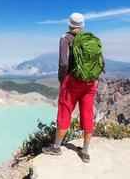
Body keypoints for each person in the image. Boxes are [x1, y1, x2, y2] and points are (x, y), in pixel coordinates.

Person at [42, 12, 104, 163]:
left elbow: (63, 63)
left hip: (72, 82)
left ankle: (56, 148)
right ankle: (85, 151)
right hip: (91, 82)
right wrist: (93, 78)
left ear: (69, 23)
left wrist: (62, 79)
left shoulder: (65, 38)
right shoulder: (92, 39)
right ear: (82, 25)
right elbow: (102, 62)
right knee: (87, 113)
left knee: (65, 111)